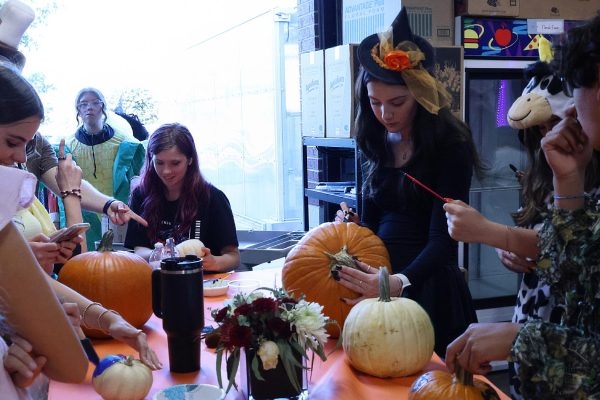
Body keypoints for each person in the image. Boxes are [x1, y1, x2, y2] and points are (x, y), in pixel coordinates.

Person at [445, 14, 600, 399]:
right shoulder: (568, 169)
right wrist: (569, 180)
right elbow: (578, 278)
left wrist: (521, 338)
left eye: (575, 98)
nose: (569, 118)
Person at [332, 7, 484, 357]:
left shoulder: (450, 146)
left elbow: (442, 241)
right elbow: (371, 221)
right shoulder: (371, 142)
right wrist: (354, 229)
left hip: (427, 288)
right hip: (378, 280)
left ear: (421, 92)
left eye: (397, 102)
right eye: (375, 103)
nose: (385, 114)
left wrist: (395, 283)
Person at [0, 61, 162, 374]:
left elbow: (67, 179)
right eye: (11, 142)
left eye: (25, 145)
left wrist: (107, 318)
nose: (21, 158)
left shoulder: (24, 160)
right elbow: (68, 185)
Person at [125, 123, 240, 273]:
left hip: (203, 286)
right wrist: (162, 256)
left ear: (190, 160)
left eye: (175, 163)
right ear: (150, 159)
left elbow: (233, 256)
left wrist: (215, 262)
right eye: (159, 163)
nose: (166, 171)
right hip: (160, 284)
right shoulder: (140, 195)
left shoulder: (213, 198)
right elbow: (139, 250)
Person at [66, 87, 145, 248]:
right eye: (84, 104)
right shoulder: (68, 147)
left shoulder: (127, 144)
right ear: (78, 110)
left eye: (95, 102)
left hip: (119, 213)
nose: (89, 107)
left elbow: (139, 183)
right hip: (85, 215)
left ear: (103, 107)